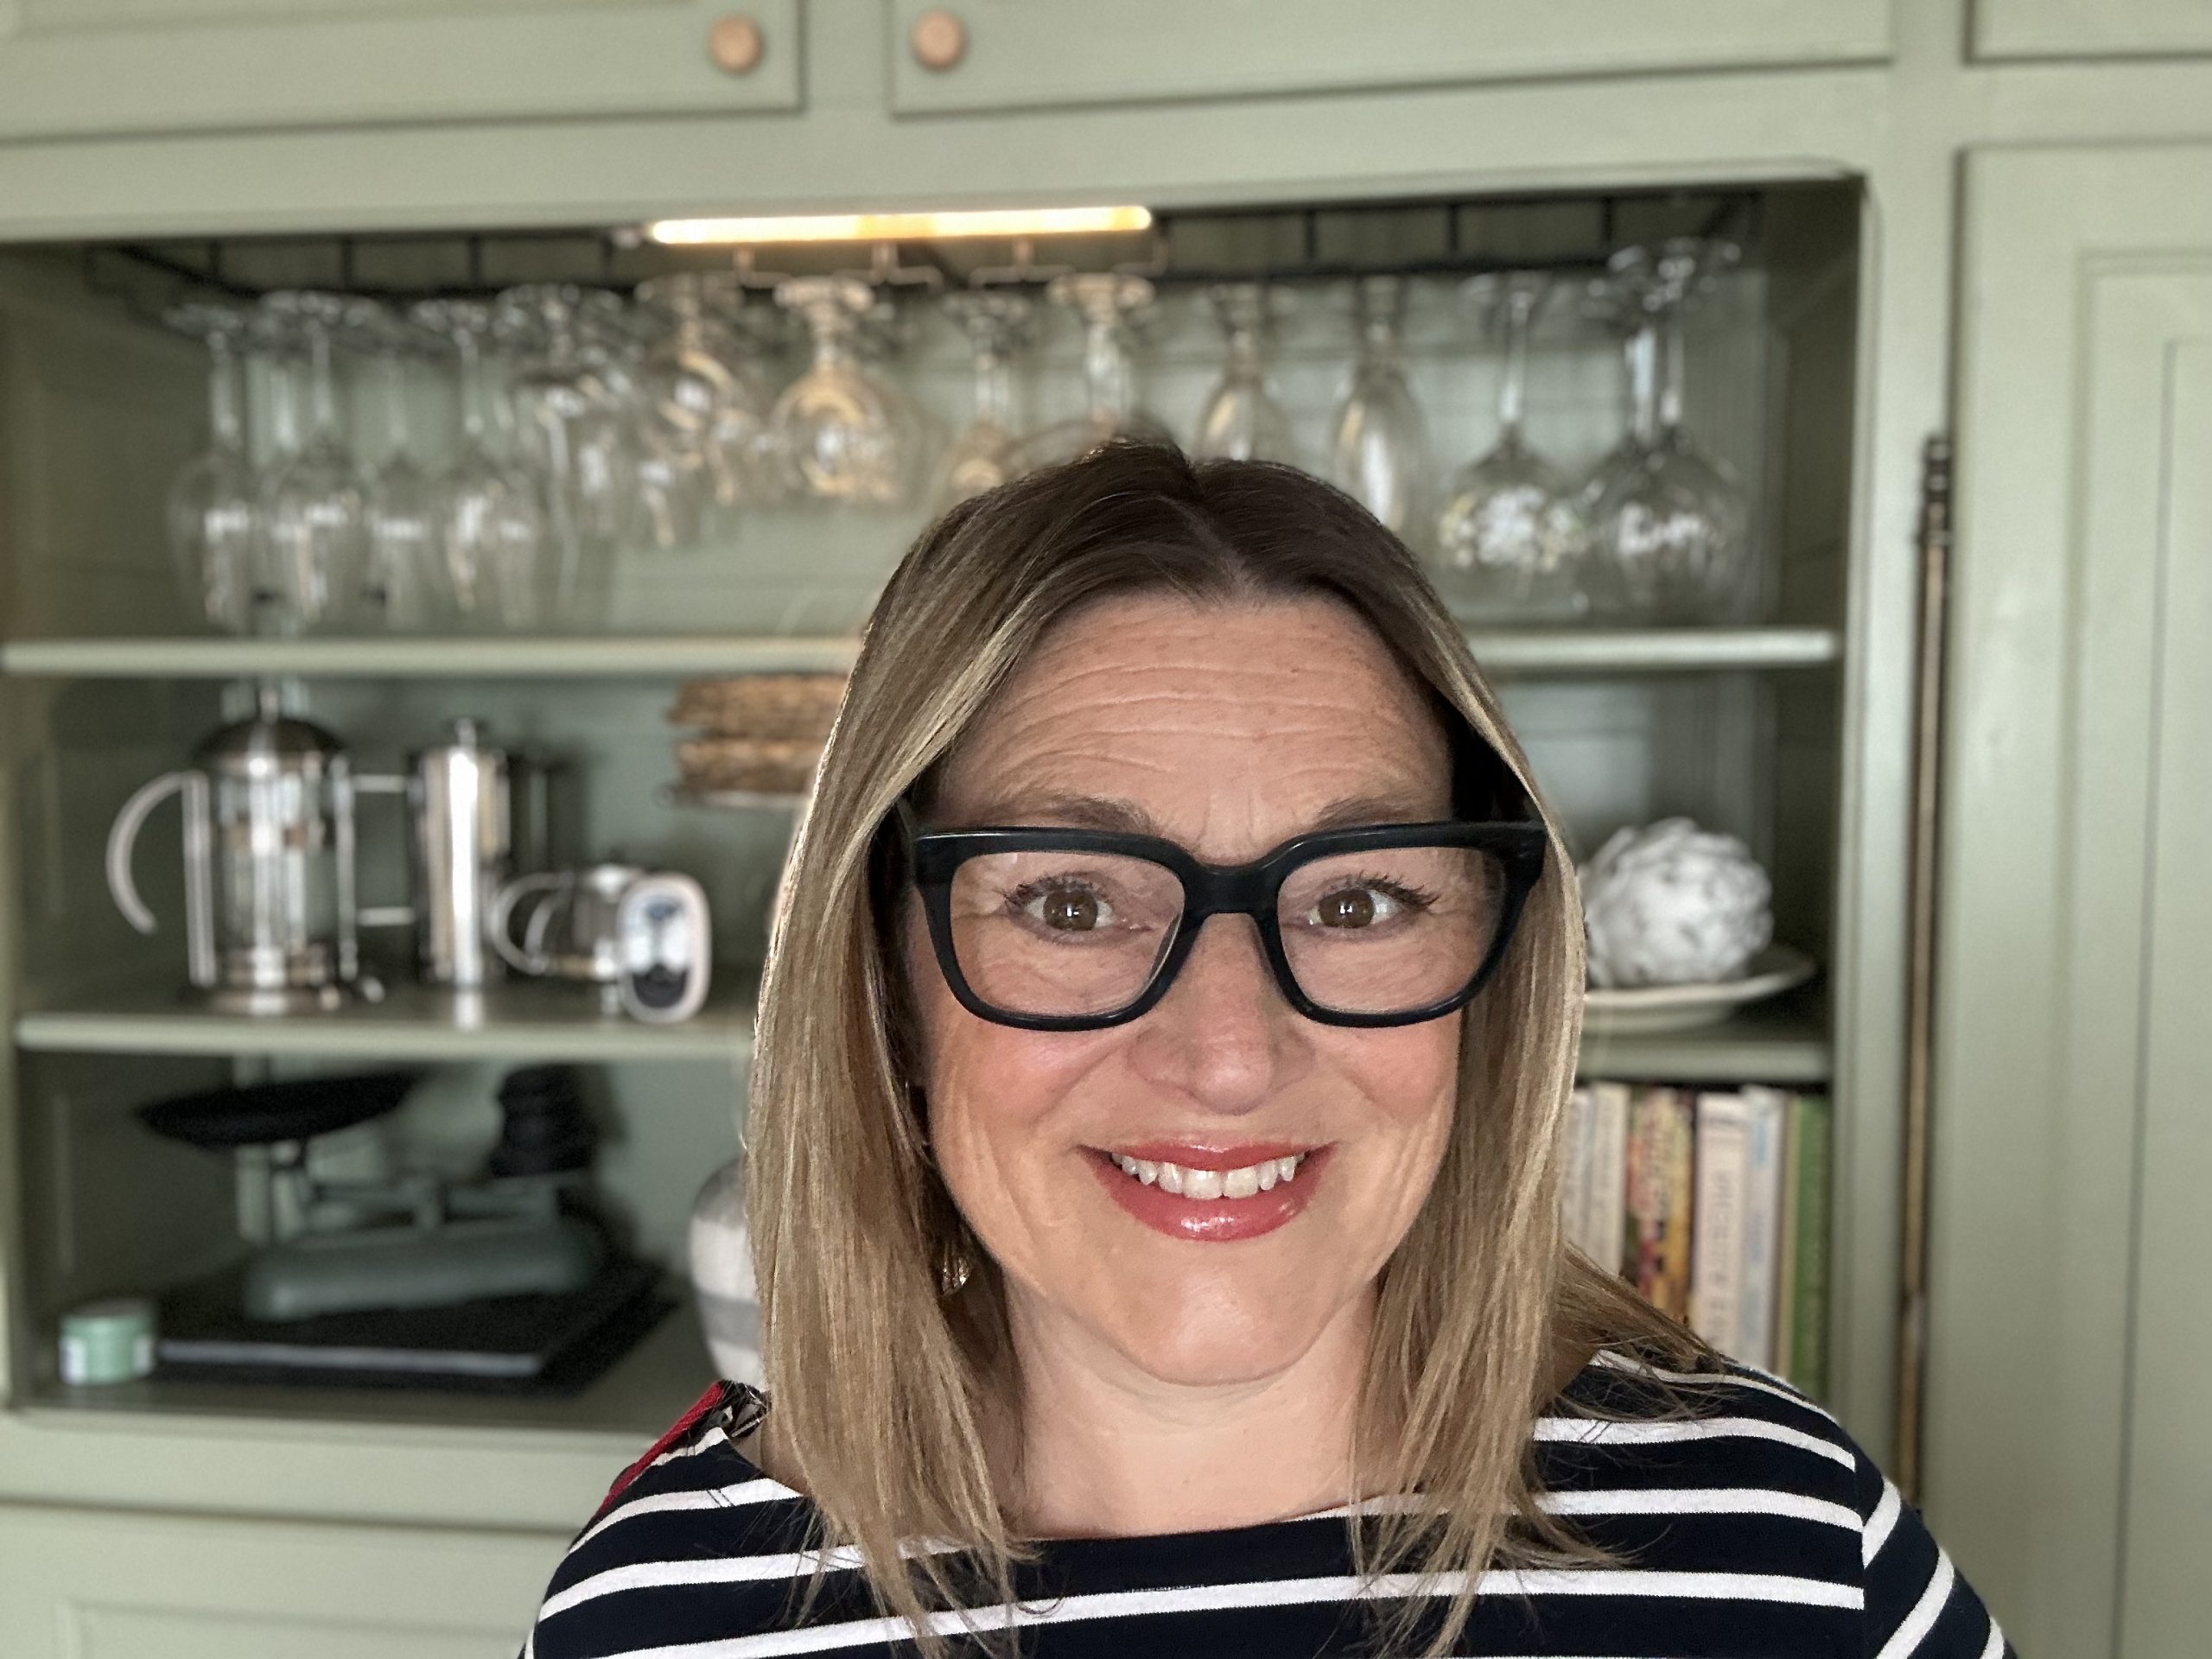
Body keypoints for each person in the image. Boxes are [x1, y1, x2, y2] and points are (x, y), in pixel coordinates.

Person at [521, 443, 2012, 1658]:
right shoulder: (658, 1617)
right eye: (1070, 902)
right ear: (884, 976)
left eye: (1357, 902)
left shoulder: (1797, 1558)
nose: (1230, 1058)